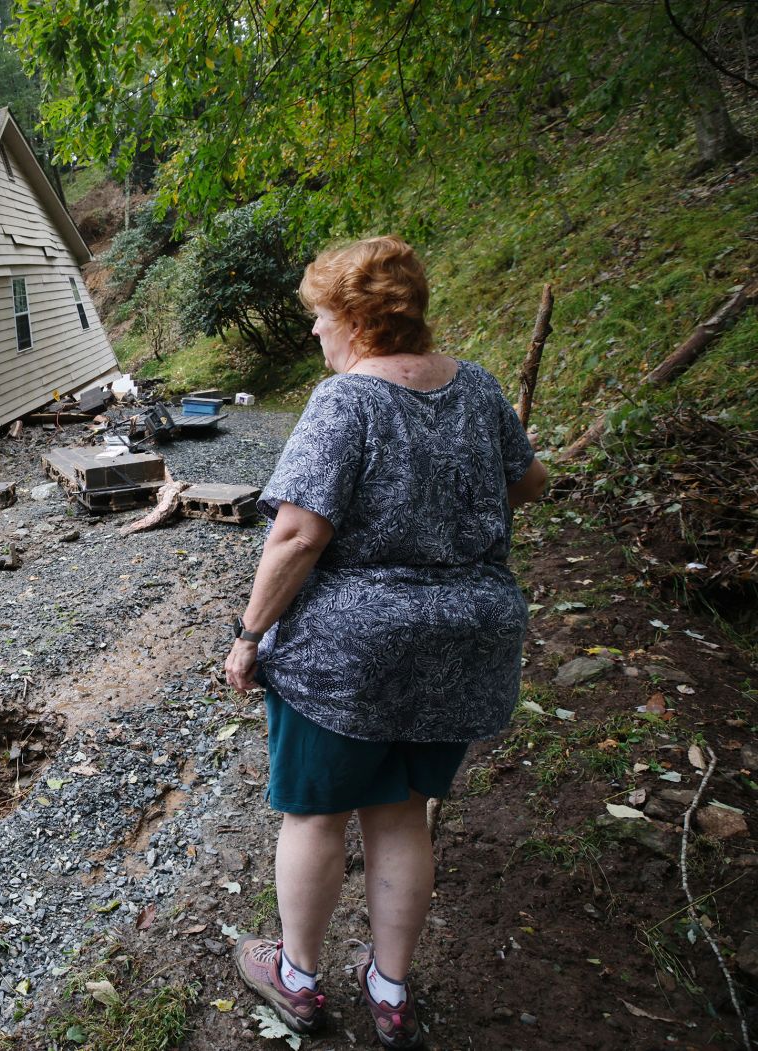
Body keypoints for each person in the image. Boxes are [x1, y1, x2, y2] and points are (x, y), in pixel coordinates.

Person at [223, 235, 548, 1049]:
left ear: (358, 321)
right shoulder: (475, 385)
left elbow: (297, 534)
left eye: (321, 316)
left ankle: (296, 979)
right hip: (467, 643)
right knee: (403, 811)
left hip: (353, 654)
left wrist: (248, 633)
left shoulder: (345, 402)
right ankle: (391, 991)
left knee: (314, 813)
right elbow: (531, 482)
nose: (314, 333)